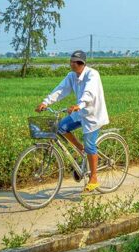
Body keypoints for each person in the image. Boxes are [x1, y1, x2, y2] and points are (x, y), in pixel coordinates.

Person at [36, 50, 109, 192]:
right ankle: (81, 150)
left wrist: (78, 105)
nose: (72, 64)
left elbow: (89, 93)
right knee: (60, 127)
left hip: (93, 115)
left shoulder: (92, 74)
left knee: (90, 145)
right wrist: (46, 102)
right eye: (71, 61)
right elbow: (60, 90)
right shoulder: (71, 76)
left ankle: (94, 177)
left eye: (75, 62)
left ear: (82, 63)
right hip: (79, 113)